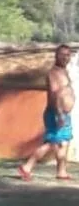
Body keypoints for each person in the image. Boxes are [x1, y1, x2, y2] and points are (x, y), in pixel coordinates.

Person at [17, 44, 74, 181]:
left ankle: (61, 171)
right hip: (56, 113)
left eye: (68, 55)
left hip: (64, 114)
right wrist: (59, 113)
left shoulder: (63, 71)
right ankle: (27, 167)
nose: (65, 57)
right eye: (62, 54)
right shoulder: (53, 73)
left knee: (64, 141)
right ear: (56, 56)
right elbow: (55, 93)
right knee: (51, 143)